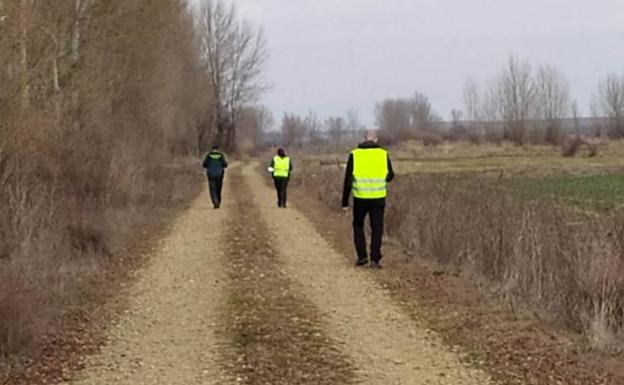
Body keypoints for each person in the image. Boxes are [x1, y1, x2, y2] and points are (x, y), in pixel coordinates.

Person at [341, 131, 394, 268]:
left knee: (358, 226)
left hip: (360, 197)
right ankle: (375, 259)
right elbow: (390, 176)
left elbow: (348, 180)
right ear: (376, 139)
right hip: (378, 197)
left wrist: (345, 202)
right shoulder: (383, 154)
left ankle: (362, 256)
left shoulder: (354, 154)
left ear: (364, 139)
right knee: (377, 228)